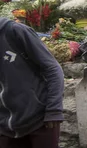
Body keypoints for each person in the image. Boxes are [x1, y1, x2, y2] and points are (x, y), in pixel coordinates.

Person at [0, 17, 64, 147]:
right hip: (5, 128)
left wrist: (53, 110)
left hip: (39, 120)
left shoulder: (14, 31)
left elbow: (52, 69)